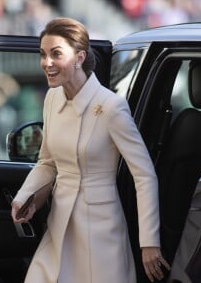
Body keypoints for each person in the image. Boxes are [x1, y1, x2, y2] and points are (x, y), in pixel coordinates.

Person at [11, 17, 170, 283]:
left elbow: (143, 175)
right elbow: (47, 162)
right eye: (43, 54)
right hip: (59, 225)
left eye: (56, 54)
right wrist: (26, 197)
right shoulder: (51, 99)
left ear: (79, 57)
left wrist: (149, 242)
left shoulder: (111, 107)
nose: (47, 63)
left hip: (100, 233)